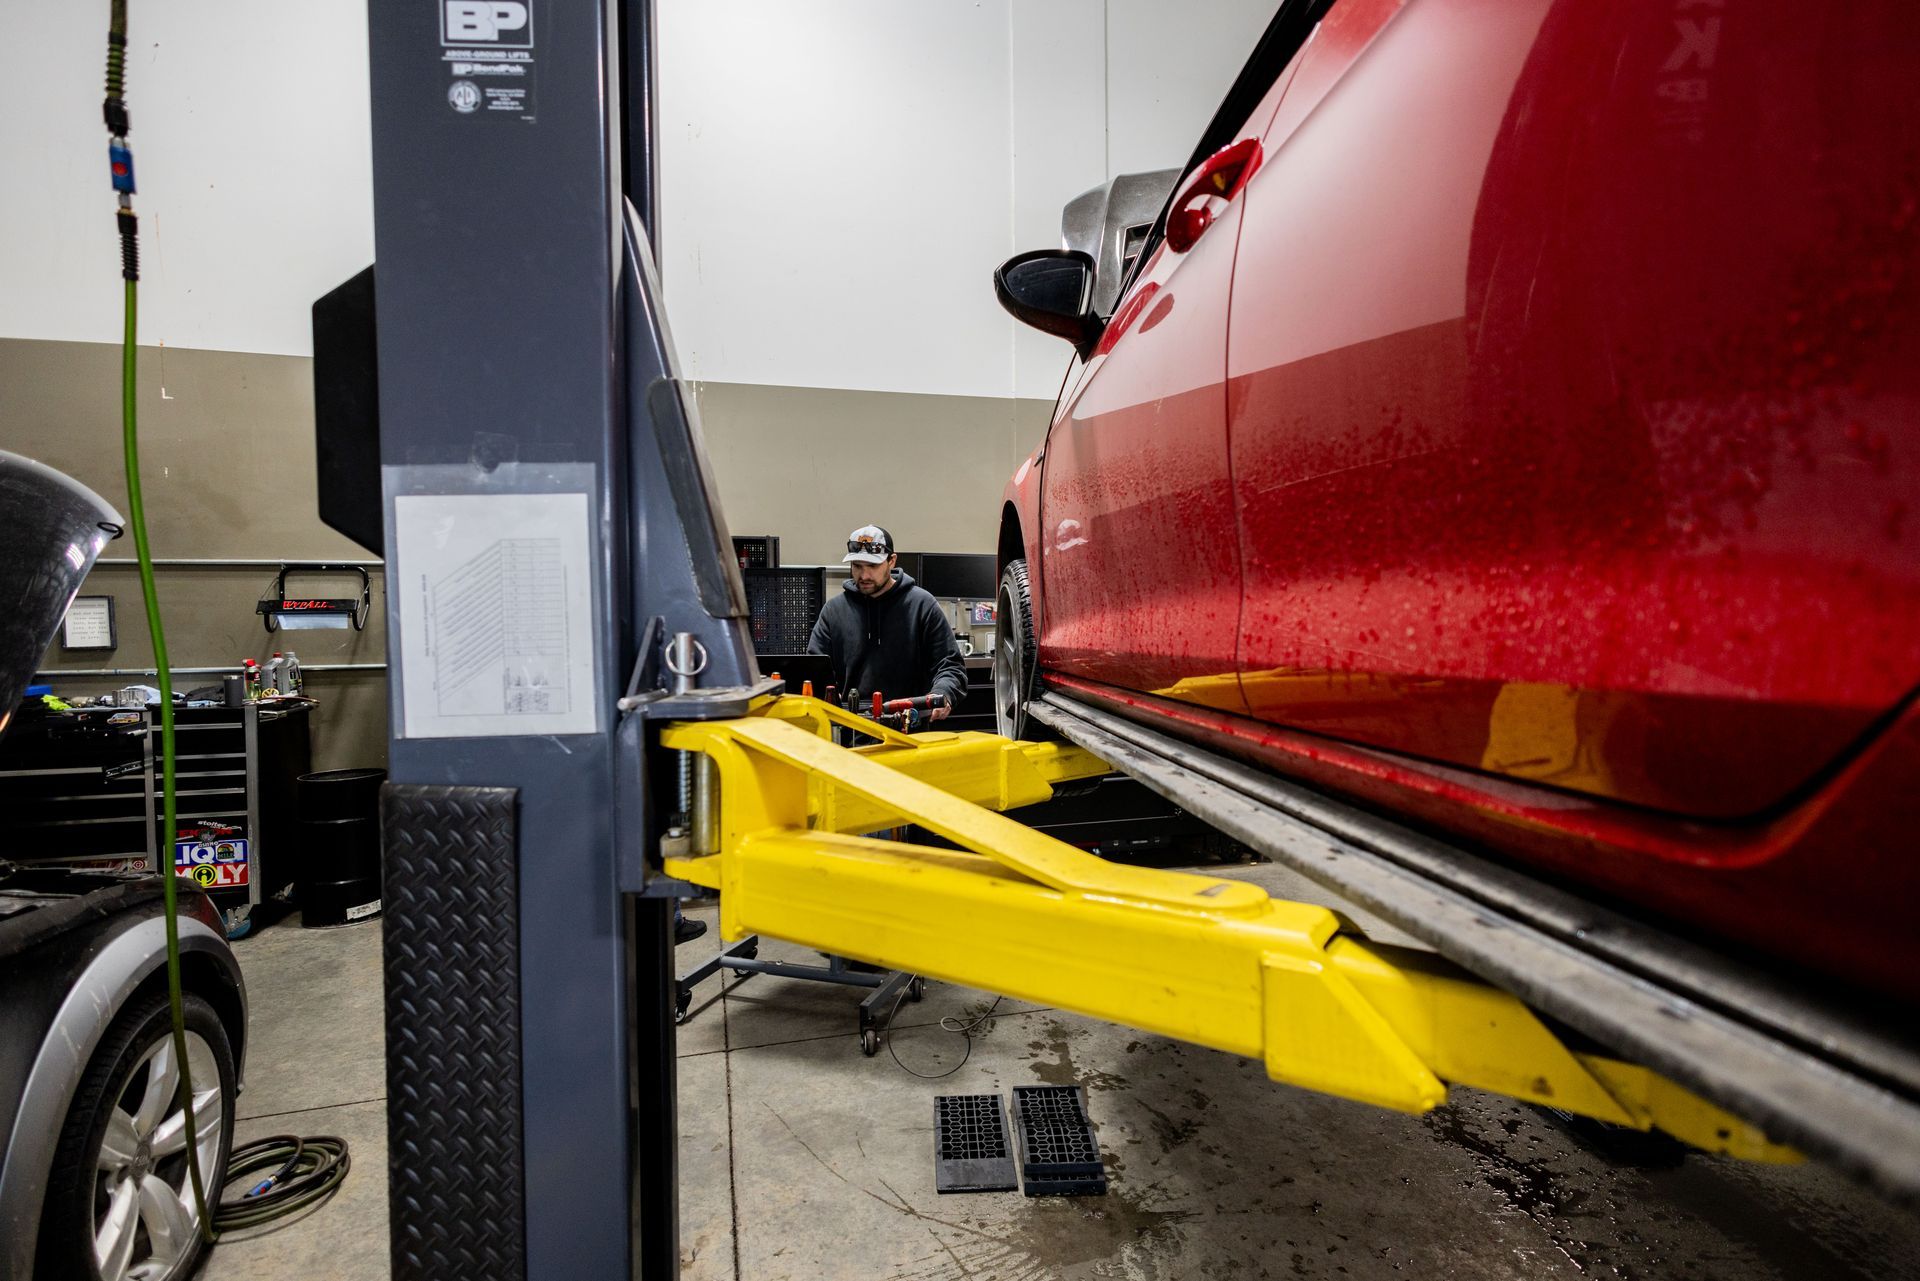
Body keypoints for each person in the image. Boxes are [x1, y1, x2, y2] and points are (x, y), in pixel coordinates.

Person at [808, 524, 968, 727]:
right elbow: (815, 669)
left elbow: (950, 666)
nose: (864, 576)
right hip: (850, 732)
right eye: (857, 566)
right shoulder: (833, 611)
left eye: (872, 566)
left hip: (909, 730)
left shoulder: (922, 605)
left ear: (891, 561)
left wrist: (943, 693)